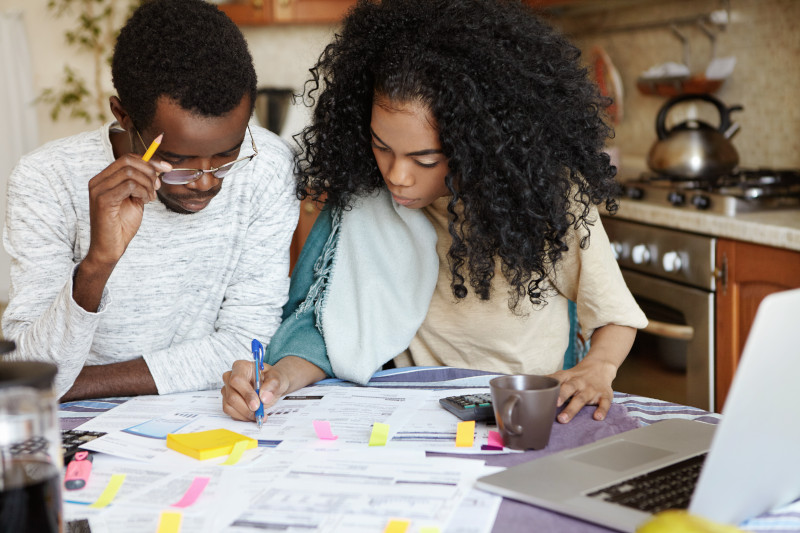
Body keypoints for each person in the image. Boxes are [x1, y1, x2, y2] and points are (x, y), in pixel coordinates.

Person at [221, 0, 647, 424]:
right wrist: (276, 381)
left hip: (524, 417)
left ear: (477, 145)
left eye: (425, 159)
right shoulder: (363, 200)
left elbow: (613, 316)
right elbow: (331, 334)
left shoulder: (545, 200)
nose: (397, 175)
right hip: (413, 417)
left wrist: (599, 367)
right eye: (381, 146)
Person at [1, 0, 299, 401]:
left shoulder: (268, 165)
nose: (206, 183)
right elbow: (31, 368)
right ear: (123, 116)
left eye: (228, 155)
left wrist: (79, 384)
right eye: (177, 162)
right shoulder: (46, 180)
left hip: (205, 418)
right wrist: (97, 265)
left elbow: (247, 341)